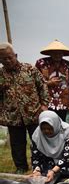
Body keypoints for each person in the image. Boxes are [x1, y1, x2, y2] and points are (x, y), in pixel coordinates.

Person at [0, 42, 49, 174]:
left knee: (38, 141)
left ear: (15, 55)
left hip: (34, 113)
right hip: (13, 116)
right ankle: (21, 167)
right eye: (4, 58)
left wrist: (44, 106)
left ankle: (39, 166)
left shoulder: (30, 69)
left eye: (10, 57)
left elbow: (43, 87)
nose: (8, 60)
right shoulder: (1, 75)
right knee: (17, 144)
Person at [30, 111, 69, 184]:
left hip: (67, 160)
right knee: (46, 180)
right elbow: (35, 157)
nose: (46, 131)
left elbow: (68, 155)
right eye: (43, 129)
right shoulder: (37, 135)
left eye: (50, 128)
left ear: (55, 125)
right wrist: (37, 170)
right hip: (48, 159)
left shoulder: (67, 130)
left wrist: (53, 171)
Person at [35, 40, 69, 121]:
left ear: (63, 53)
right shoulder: (41, 63)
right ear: (50, 53)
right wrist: (48, 83)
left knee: (61, 125)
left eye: (59, 53)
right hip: (45, 102)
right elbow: (35, 82)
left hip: (63, 103)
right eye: (54, 52)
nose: (57, 55)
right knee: (46, 124)